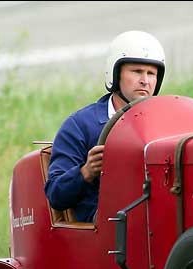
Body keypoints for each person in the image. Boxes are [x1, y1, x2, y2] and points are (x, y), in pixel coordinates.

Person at [44, 31, 166, 223]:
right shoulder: (80, 125)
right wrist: (86, 171)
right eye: (136, 71)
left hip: (158, 214)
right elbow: (55, 195)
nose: (145, 80)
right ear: (115, 75)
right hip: (106, 227)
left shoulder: (166, 122)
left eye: (151, 73)